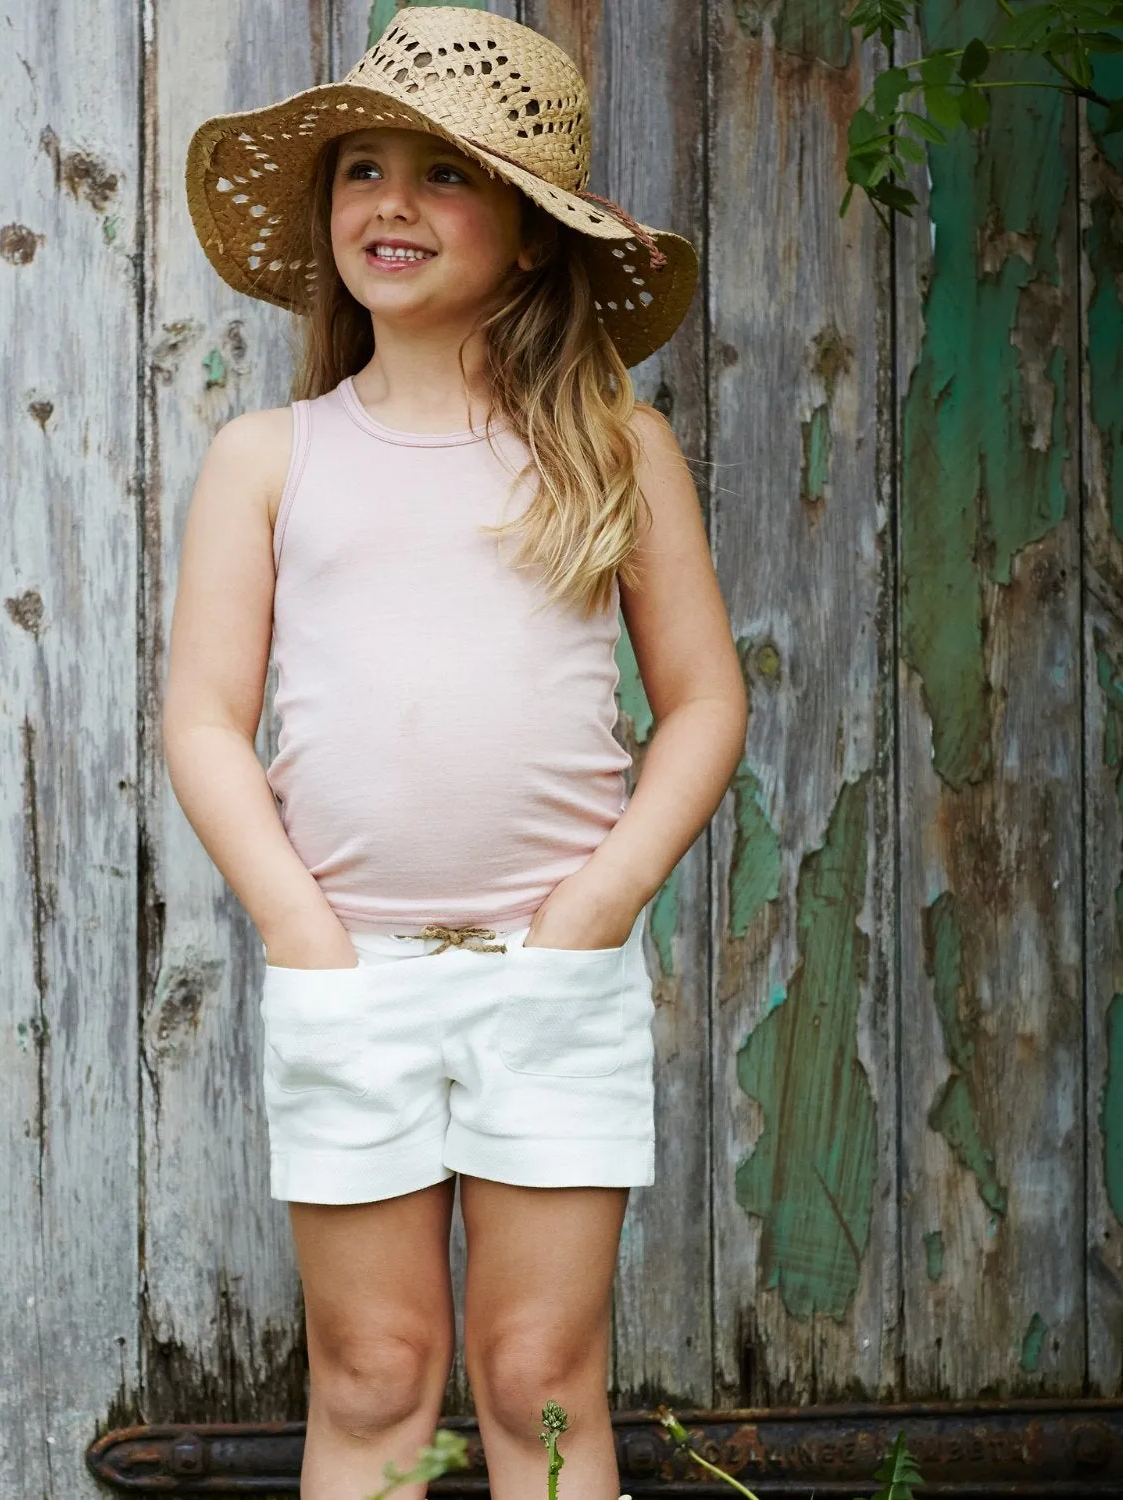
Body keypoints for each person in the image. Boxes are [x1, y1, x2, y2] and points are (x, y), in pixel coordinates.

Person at [164, 9, 746, 1498]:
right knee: (372, 1379)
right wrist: (300, 929)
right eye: (363, 169)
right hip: (348, 968)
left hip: (551, 976)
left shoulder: (614, 448)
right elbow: (205, 723)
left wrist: (594, 910)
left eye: (446, 174)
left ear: (537, 237)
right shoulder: (271, 459)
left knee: (538, 1381)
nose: (392, 204)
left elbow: (702, 704)